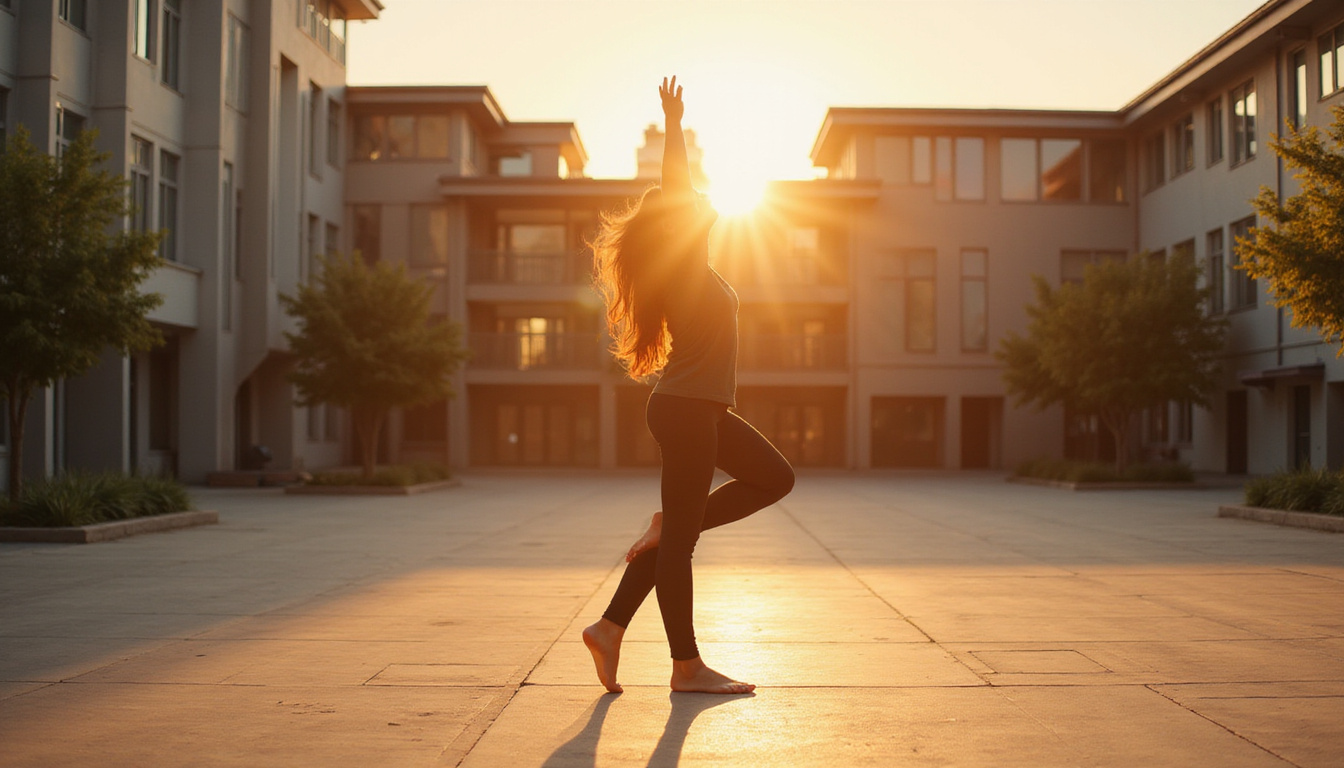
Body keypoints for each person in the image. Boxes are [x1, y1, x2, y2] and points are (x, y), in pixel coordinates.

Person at [582, 77, 795, 695]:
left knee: (773, 478)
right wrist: (674, 124)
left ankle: (610, 626)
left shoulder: (693, 271)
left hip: (700, 409)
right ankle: (686, 667)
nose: (700, 200)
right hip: (684, 410)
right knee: (679, 544)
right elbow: (678, 186)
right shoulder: (683, 264)